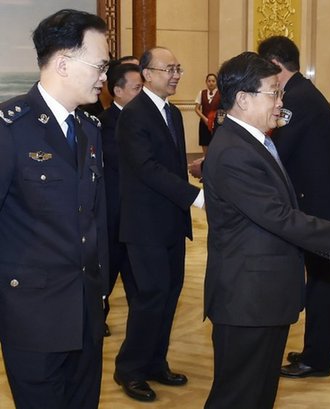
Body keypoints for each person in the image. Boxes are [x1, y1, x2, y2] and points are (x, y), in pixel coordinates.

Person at [202, 51, 330, 409]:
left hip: (264, 297)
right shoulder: (233, 151)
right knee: (237, 397)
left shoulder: (253, 141)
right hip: (247, 300)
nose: (281, 102)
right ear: (243, 99)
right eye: (273, 92)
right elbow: (278, 216)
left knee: (259, 395)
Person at [0, 9, 109, 409]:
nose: (104, 76)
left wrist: (101, 294)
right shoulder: (10, 128)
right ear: (63, 63)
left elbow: (96, 220)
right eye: (100, 65)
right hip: (32, 318)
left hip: (86, 315)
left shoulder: (89, 129)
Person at [257, 36, 330, 378]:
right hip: (323, 204)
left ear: (275, 65)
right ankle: (316, 351)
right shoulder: (301, 92)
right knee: (319, 283)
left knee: (323, 286)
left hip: (326, 208)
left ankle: (317, 359)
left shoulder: (297, 98)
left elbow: (276, 150)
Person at [113, 47, 204, 402]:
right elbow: (147, 168)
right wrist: (195, 197)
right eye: (169, 69)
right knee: (150, 298)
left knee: (168, 296)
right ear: (147, 74)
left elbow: (173, 167)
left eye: (178, 68)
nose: (176, 74)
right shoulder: (133, 115)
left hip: (171, 223)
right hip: (144, 226)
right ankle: (129, 369)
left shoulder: (173, 113)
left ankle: (155, 362)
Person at [98, 62, 143, 337]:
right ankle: (96, 321)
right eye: (137, 88)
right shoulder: (103, 124)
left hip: (138, 220)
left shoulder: (145, 121)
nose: (142, 93)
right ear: (118, 91)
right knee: (104, 279)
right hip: (113, 218)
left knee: (140, 287)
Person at [194, 73, 221, 155]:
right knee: (205, 143)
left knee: (217, 144)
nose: (211, 83)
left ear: (216, 82)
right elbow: (196, 109)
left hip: (216, 124)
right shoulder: (201, 93)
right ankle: (205, 159)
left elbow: (223, 110)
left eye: (213, 81)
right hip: (204, 123)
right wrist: (205, 119)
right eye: (209, 81)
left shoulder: (221, 94)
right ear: (206, 82)